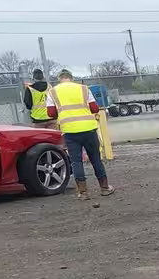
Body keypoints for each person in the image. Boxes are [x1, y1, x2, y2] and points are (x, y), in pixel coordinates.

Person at [45, 69, 113, 200]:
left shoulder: (52, 92)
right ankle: (104, 188)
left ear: (60, 78)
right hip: (88, 128)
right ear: (71, 77)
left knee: (76, 161)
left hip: (69, 131)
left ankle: (83, 192)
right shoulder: (83, 89)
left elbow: (51, 113)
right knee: (95, 159)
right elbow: (94, 108)